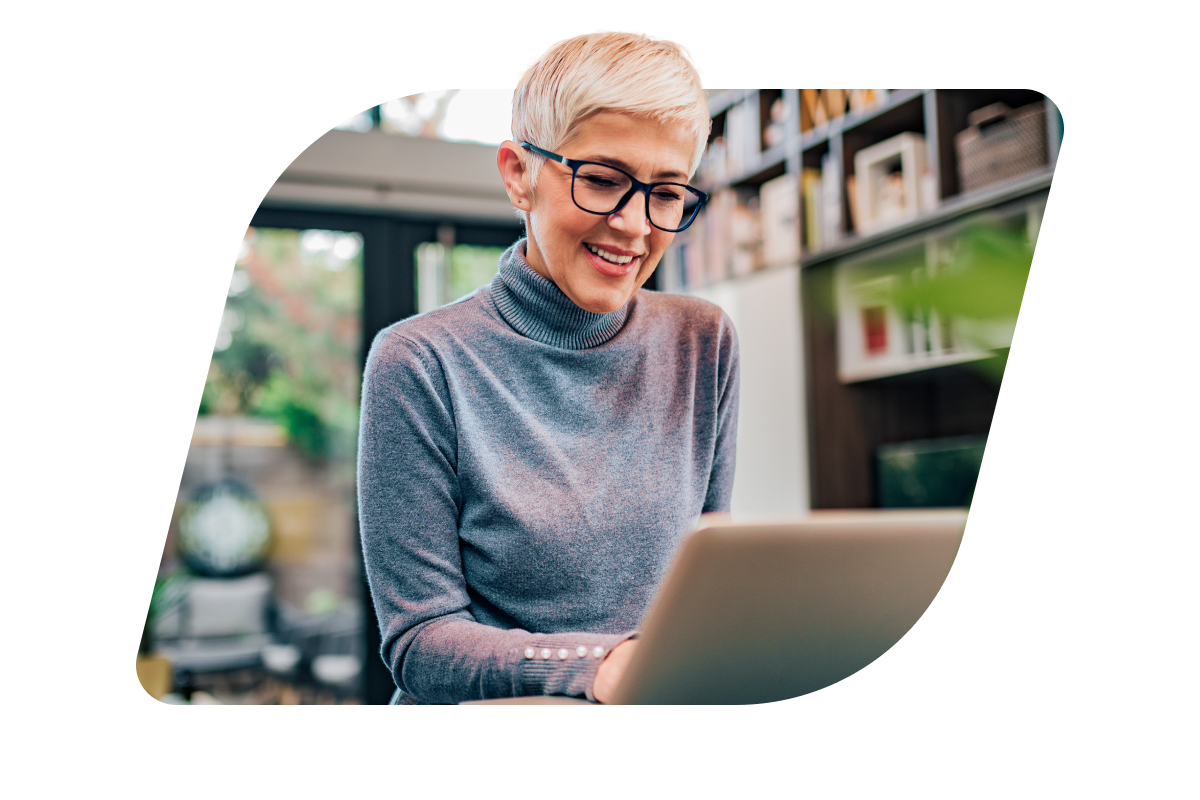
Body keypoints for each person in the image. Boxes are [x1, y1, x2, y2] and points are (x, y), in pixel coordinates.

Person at [357, 28, 739, 704]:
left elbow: (705, 590)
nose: (635, 225)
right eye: (601, 180)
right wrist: (604, 664)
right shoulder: (419, 362)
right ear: (518, 175)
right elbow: (418, 643)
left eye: (668, 192)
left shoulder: (702, 343)